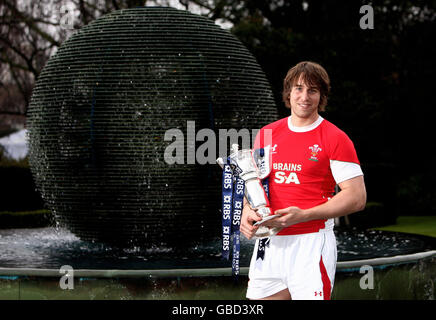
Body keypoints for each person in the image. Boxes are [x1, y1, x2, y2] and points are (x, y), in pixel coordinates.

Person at [240, 61, 367, 300]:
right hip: (269, 244)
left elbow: (357, 197)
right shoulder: (266, 134)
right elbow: (255, 186)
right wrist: (247, 211)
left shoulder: (336, 138)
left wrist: (304, 215)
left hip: (310, 242)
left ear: (322, 96)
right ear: (288, 92)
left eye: (312, 90)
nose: (304, 96)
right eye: (298, 88)